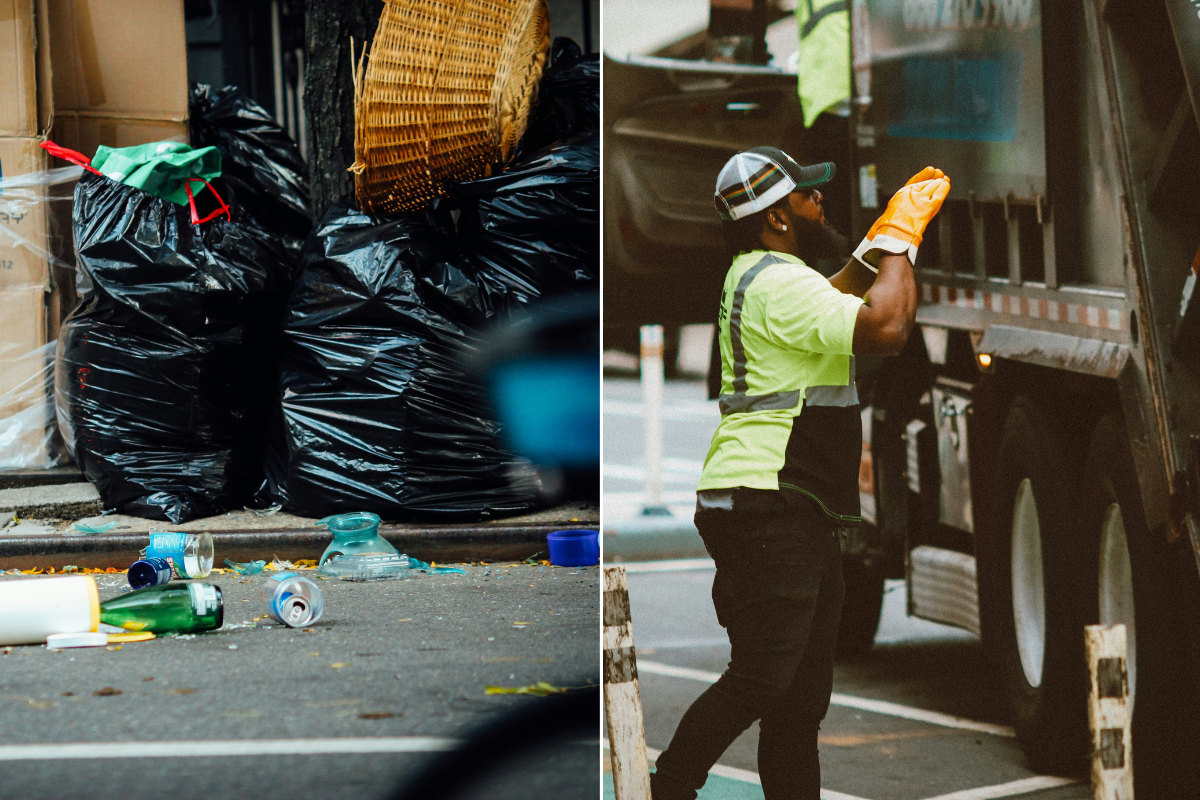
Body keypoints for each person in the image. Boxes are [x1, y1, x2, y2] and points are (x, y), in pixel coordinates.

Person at [649, 147, 949, 800]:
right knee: (763, 678)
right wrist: (900, 241)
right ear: (778, 217)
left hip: (786, 504)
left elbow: (834, 293)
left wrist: (869, 252)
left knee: (799, 699)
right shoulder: (778, 282)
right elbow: (886, 325)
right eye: (808, 196)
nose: (821, 202)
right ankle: (668, 787)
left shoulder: (760, 274)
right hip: (767, 503)